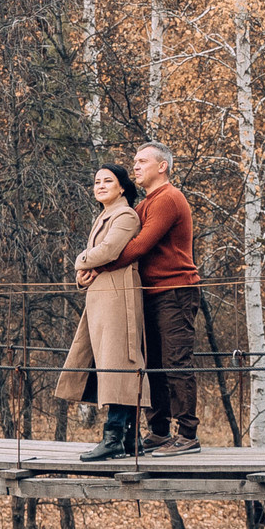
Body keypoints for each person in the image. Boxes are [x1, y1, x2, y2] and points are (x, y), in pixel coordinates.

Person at [82, 142, 200, 455]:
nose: (135, 166)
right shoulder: (144, 205)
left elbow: (137, 247)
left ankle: (187, 436)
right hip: (149, 292)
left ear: (162, 166)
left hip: (175, 291)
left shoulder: (168, 198)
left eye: (142, 161)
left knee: (176, 363)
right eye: (134, 161)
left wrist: (97, 267)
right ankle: (159, 432)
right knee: (151, 364)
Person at [58, 166, 150, 461]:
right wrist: (82, 277)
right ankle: (130, 439)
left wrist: (79, 261)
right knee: (109, 364)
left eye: (107, 181)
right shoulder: (104, 216)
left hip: (117, 299)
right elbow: (97, 262)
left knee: (120, 364)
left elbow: (109, 251)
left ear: (122, 187)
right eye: (96, 181)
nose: (100, 186)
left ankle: (114, 438)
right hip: (101, 300)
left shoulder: (125, 215)